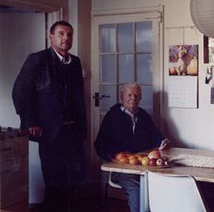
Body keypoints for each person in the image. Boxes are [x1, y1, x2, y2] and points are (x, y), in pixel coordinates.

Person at [12, 20, 87, 211]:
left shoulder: (75, 62)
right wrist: (31, 121)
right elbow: (20, 91)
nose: (66, 38)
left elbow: (78, 99)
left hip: (73, 131)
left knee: (73, 180)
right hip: (51, 131)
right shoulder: (38, 60)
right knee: (54, 180)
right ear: (50, 36)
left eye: (69, 34)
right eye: (61, 34)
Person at [95, 82, 168, 212]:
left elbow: (156, 136)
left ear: (140, 98)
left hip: (142, 164)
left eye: (136, 95)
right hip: (122, 168)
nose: (133, 98)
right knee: (137, 188)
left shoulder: (143, 116)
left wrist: (162, 142)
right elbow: (100, 144)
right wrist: (115, 155)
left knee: (163, 182)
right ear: (121, 97)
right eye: (129, 95)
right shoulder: (112, 116)